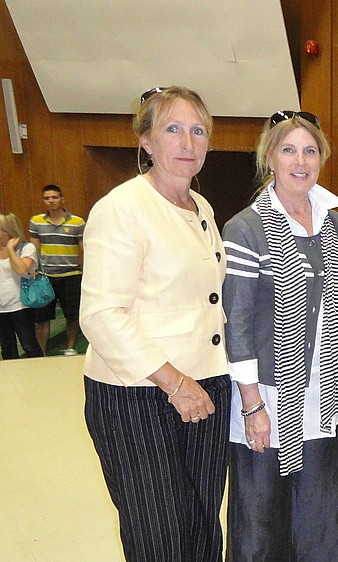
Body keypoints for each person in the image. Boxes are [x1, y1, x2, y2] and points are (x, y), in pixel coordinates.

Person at [80, 86, 230, 561]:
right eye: (173, 129)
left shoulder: (201, 209)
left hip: (206, 389)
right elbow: (102, 316)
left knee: (203, 528)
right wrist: (175, 382)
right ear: (146, 141)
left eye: (198, 130)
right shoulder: (121, 208)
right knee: (160, 535)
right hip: (139, 396)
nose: (188, 142)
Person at [222, 109, 338, 560]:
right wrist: (252, 405)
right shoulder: (245, 228)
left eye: (310, 150)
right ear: (270, 158)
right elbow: (236, 322)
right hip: (268, 395)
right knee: (262, 518)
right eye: (289, 149)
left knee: (320, 514)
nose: (301, 160)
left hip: (324, 393)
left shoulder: (334, 224)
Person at [28, 184, 86, 355]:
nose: (51, 201)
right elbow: (33, 249)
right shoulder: (36, 221)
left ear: (62, 199)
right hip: (46, 277)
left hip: (71, 275)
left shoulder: (77, 222)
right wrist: (34, 269)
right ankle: (42, 351)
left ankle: (71, 347)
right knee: (41, 319)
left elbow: (83, 249)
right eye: (47, 198)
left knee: (72, 316)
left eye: (54, 197)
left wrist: (85, 273)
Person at [0, 213, 44, 359]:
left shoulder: (26, 248)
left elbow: (21, 269)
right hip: (1, 306)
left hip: (21, 305)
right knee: (7, 347)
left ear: (7, 230)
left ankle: (39, 374)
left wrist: (11, 249)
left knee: (29, 344)